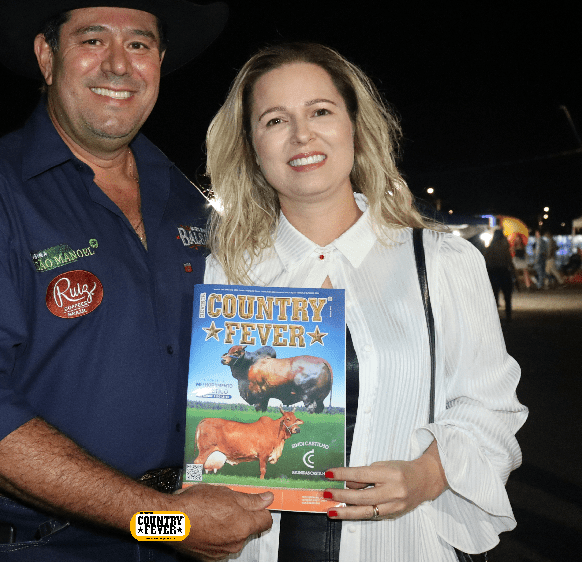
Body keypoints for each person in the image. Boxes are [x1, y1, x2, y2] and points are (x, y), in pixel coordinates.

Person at [0, 0, 272, 561]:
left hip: (182, 530)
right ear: (47, 56)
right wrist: (164, 520)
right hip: (44, 544)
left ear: (159, 62)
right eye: (93, 40)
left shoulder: (188, 203)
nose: (119, 66)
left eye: (139, 44)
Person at [203, 42, 526, 561]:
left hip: (401, 544)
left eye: (320, 111)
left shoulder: (440, 262)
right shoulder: (225, 274)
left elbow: (492, 407)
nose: (302, 134)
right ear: (251, 146)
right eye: (275, 120)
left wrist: (426, 475)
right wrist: (168, 524)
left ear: (354, 125)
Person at [485, 228, 516, 321]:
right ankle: (508, 315)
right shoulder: (504, 248)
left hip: (493, 272)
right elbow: (509, 262)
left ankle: (494, 317)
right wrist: (514, 273)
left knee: (494, 296)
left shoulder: (490, 248)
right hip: (504, 272)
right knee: (507, 296)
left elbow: (487, 262)